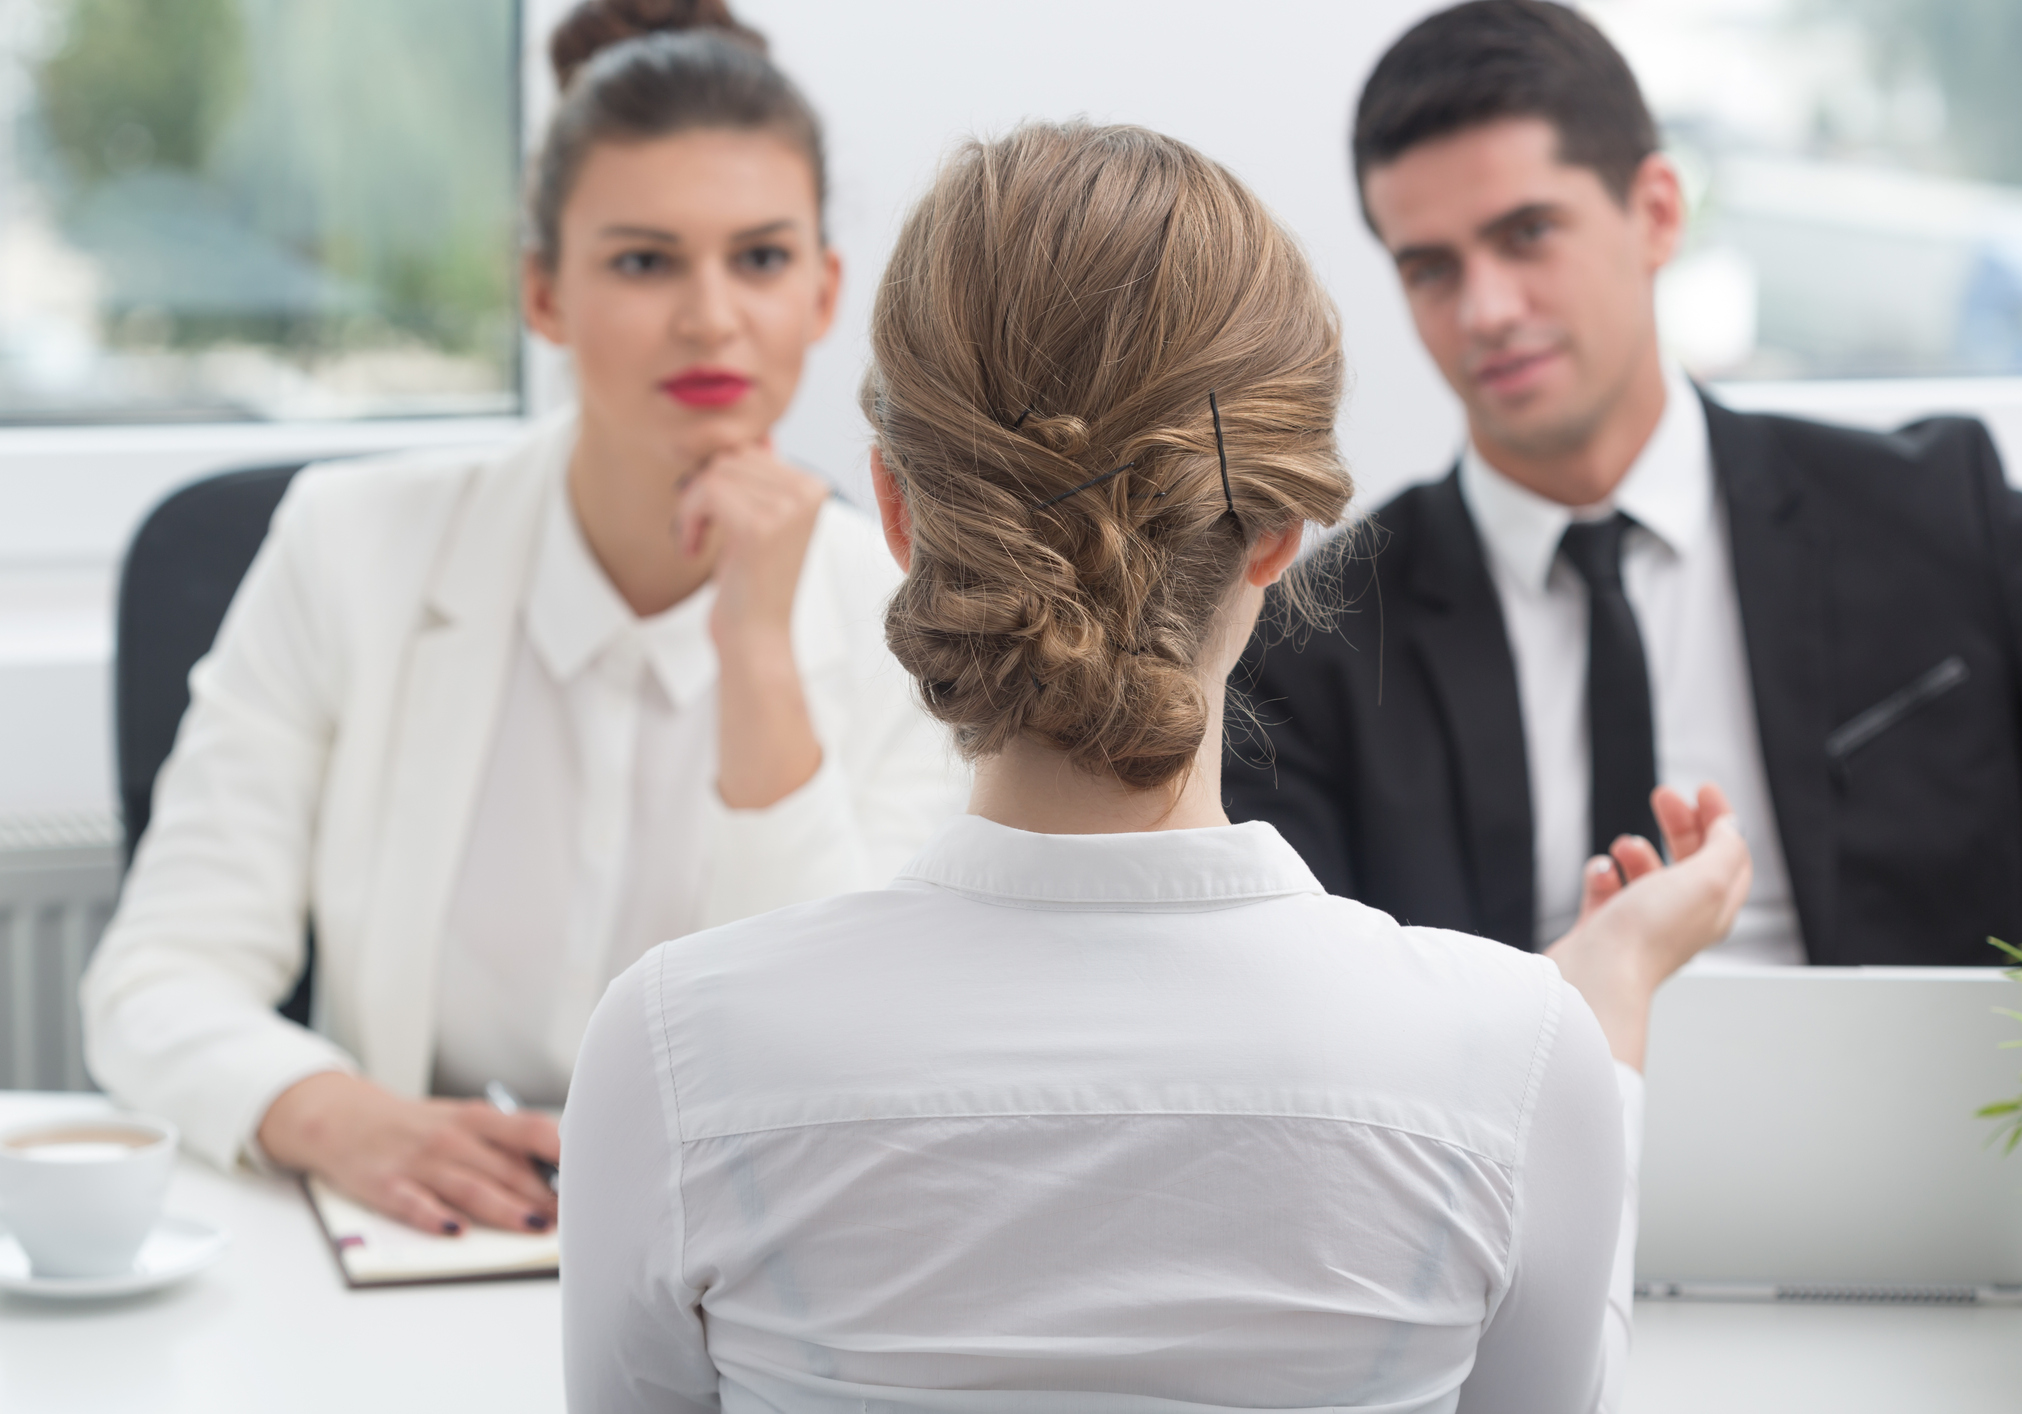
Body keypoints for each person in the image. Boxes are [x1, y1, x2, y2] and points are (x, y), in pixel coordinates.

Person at [559, 119, 1752, 1413]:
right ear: (1279, 529)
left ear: (897, 510)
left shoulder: (673, 1049)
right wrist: (1602, 1003)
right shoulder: (1513, 1056)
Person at [81, 0, 958, 1238]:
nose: (711, 316)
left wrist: (757, 658)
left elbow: (848, 1058)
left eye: (759, 259)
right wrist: (341, 1115)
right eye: (644, 261)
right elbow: (155, 980)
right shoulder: (350, 545)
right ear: (543, 292)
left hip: (736, 1265)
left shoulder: (899, 615)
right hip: (414, 1248)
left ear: (823, 293)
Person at [1225, 0, 2022, 967]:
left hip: (1916, 1114)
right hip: (1510, 1105)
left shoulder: (1941, 514)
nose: (1484, 309)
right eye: (1431, 269)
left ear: (1656, 212)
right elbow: (1292, 1014)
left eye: (1527, 233)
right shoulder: (1313, 639)